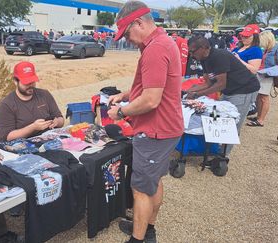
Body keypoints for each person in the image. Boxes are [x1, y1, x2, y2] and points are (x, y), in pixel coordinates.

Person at [107, 1, 184, 242]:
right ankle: (148, 229)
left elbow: (151, 99)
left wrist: (121, 111)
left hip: (156, 130)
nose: (127, 39)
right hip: (166, 128)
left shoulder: (155, 48)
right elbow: (151, 86)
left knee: (140, 189)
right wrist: (125, 95)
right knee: (153, 183)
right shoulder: (161, 42)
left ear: (139, 22)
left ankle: (138, 238)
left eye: (127, 33)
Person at [186, 36, 260, 153]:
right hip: (229, 89)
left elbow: (221, 84)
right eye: (189, 51)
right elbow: (208, 83)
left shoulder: (219, 56)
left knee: (232, 123)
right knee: (217, 117)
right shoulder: (203, 59)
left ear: (204, 48)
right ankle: (217, 150)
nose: (191, 54)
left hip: (244, 89)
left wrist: (196, 94)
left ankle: (223, 157)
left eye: (192, 51)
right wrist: (190, 91)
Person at [0, 61, 64, 142]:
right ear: (15, 81)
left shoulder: (44, 95)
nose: (30, 86)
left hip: (48, 140)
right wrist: (33, 127)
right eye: (26, 83)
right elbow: (7, 137)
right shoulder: (6, 105)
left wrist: (57, 122)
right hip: (22, 145)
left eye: (32, 81)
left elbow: (61, 119)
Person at [247, 31, 278, 127]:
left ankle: (261, 120)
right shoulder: (268, 49)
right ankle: (259, 116)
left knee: (264, 98)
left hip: (267, 75)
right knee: (259, 97)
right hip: (261, 74)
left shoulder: (275, 49)